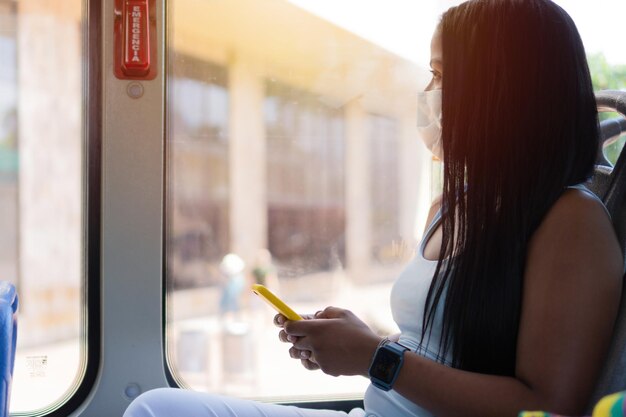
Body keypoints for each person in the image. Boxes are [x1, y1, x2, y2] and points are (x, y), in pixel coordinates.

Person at [123, 0, 624, 416]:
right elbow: (435, 353)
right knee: (154, 407)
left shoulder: (571, 225)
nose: (429, 96)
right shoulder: (449, 207)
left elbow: (549, 407)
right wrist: (358, 341)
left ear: (502, 92)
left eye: (441, 76)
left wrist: (376, 359)